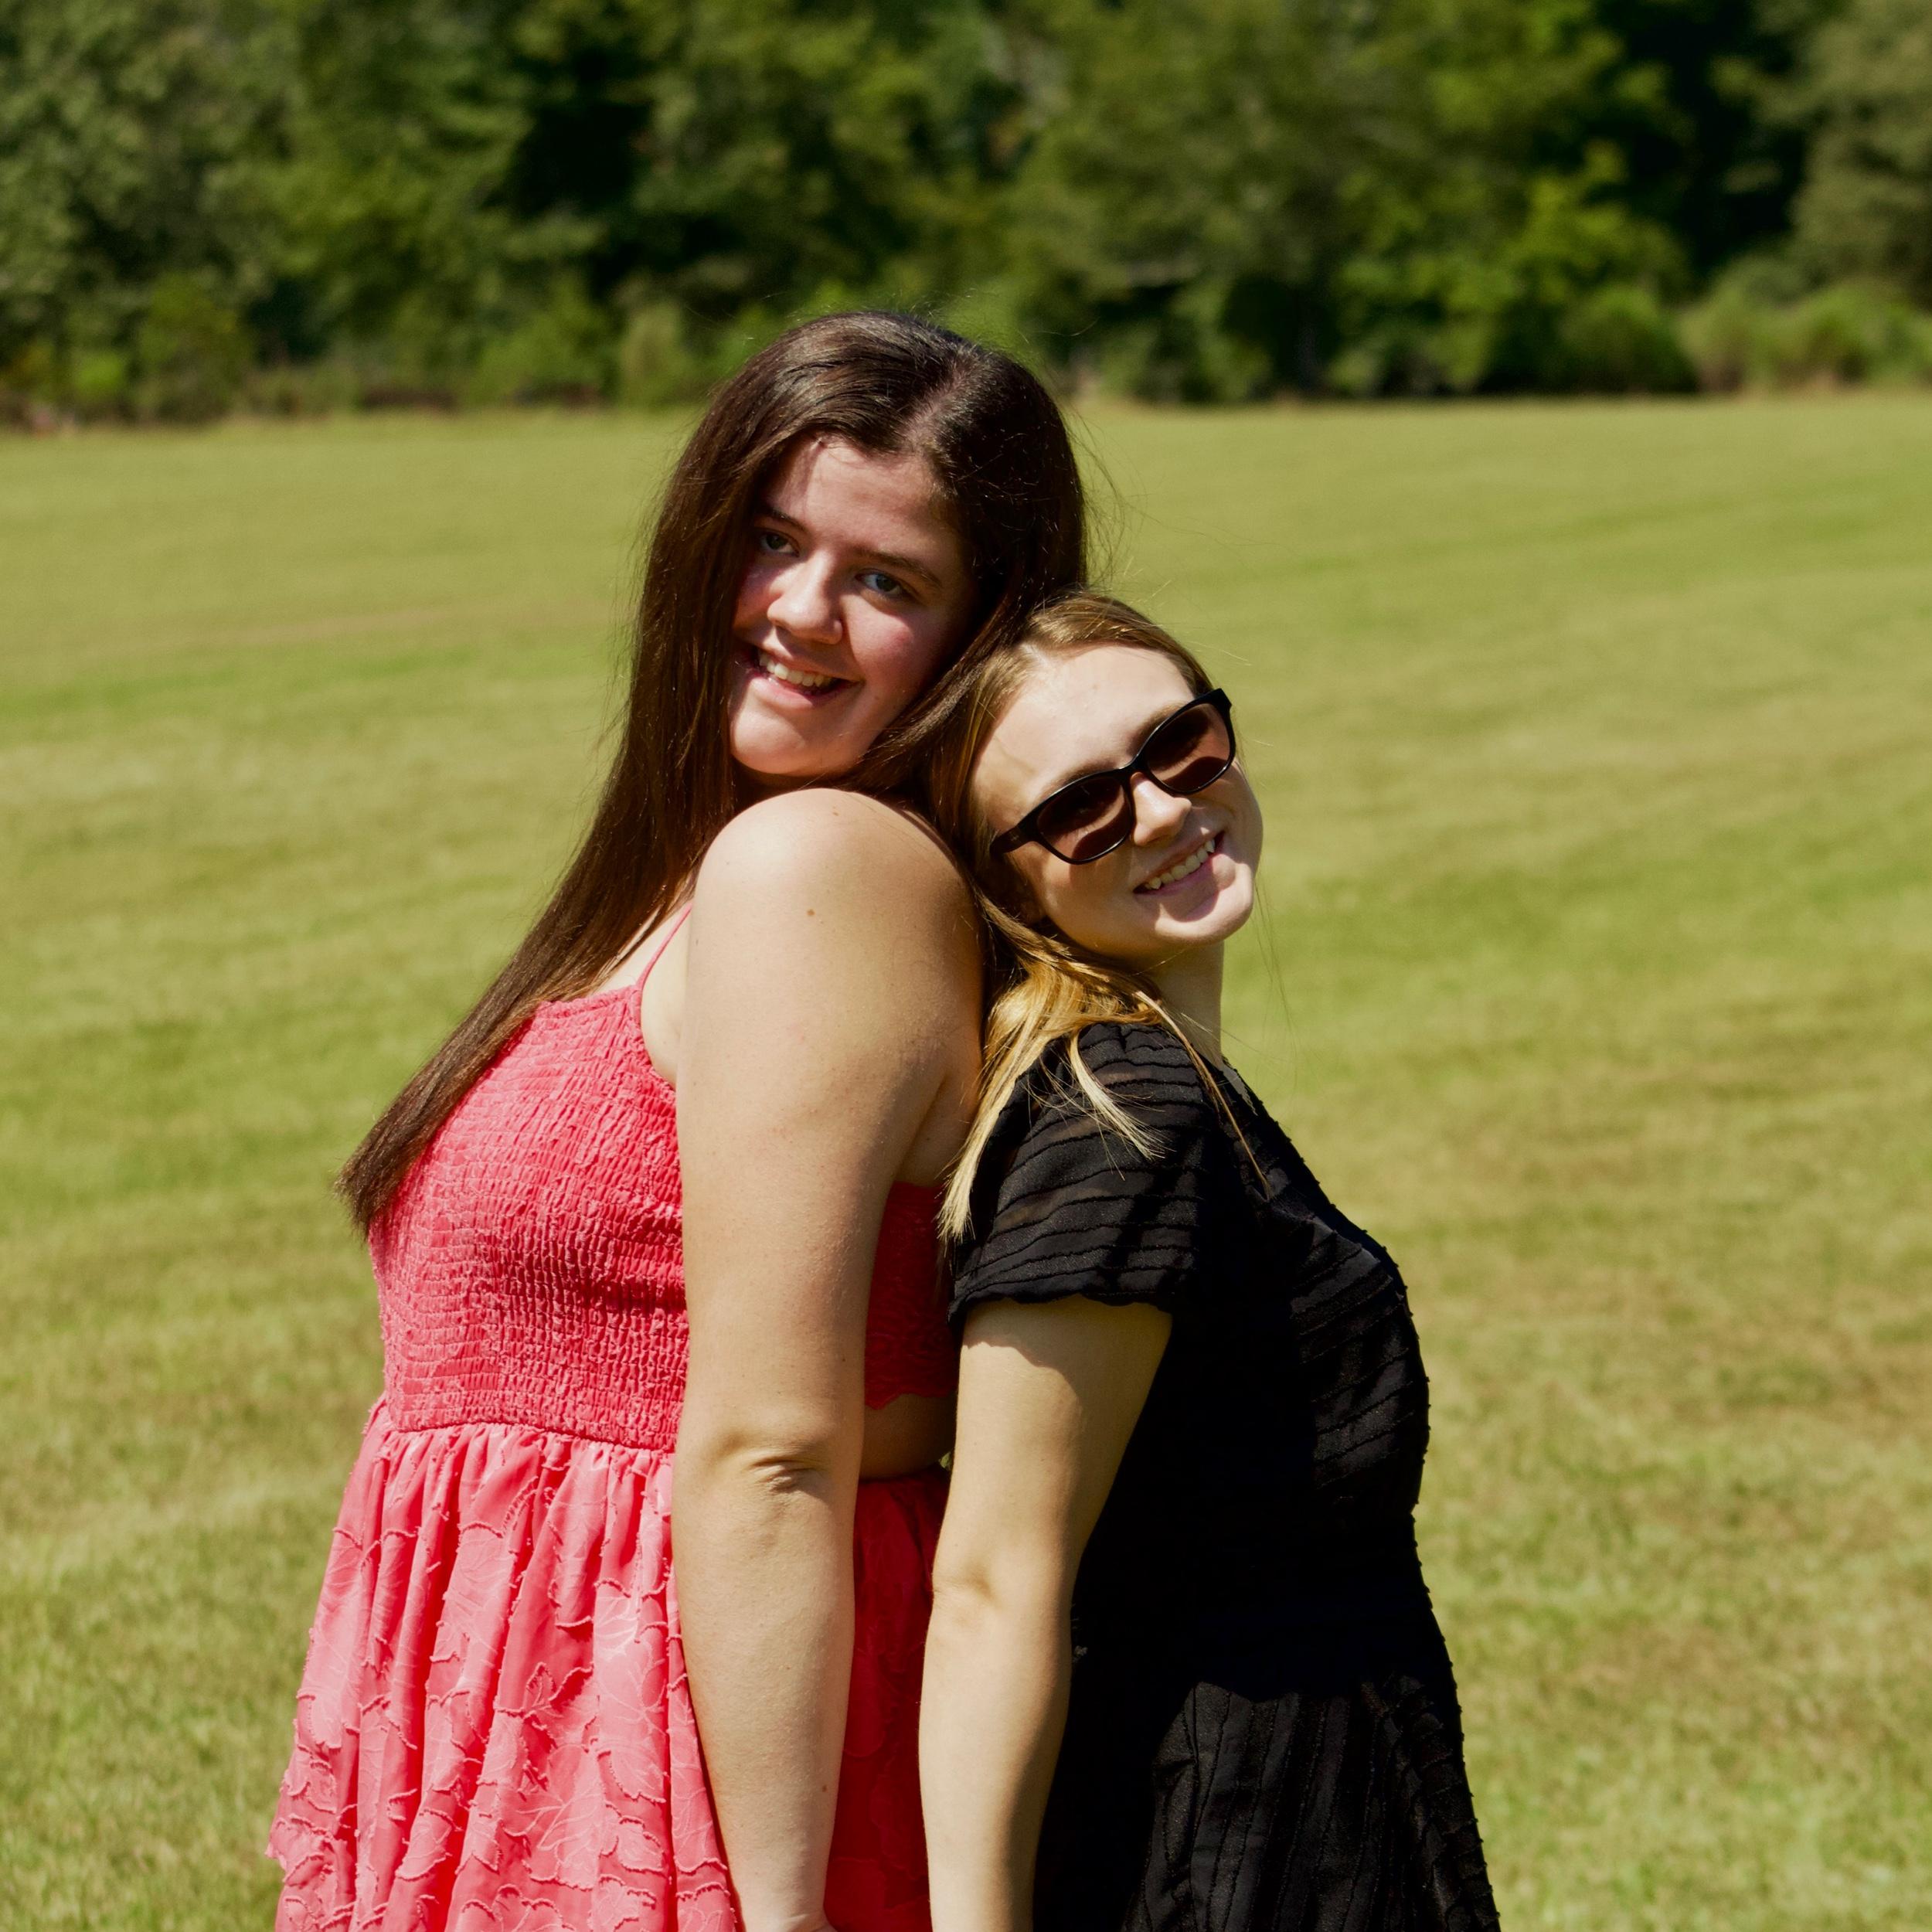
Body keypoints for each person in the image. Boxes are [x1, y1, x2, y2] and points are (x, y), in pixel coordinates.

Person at [268, 312, 1087, 1932]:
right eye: (772, 539)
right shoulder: (704, 868)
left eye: (886, 579)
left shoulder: (819, 870)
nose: (798, 610)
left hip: (680, 1742)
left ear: (980, 637)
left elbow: (774, 1448)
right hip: (543, 1708)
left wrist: (773, 1911)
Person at [917, 594, 1501, 1932]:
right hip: (1224, 1846)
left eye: (1179, 744)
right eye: (1081, 809)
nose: (1165, 811)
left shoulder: (1160, 1084)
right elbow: (997, 1581)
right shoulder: (1123, 1119)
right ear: (1007, 884)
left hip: (1319, 1803)